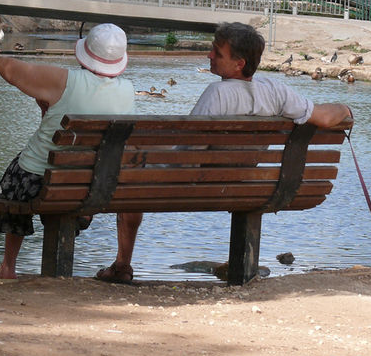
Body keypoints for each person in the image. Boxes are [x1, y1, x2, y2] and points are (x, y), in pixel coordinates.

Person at [95, 21, 353, 284]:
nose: (209, 56)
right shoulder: (277, 92)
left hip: (191, 185)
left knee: (128, 167)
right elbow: (322, 116)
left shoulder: (217, 93)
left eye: (217, 53)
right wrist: (345, 110)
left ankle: (122, 265)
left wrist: (144, 148)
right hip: (244, 186)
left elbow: (186, 156)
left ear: (239, 63)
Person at [0, 23, 134, 279]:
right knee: (38, 169)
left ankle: (8, 266)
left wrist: (41, 93)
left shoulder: (63, 80)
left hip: (37, 183)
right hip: (93, 187)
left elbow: (6, 67)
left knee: (23, 168)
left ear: (85, 53)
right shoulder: (128, 91)